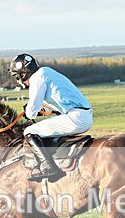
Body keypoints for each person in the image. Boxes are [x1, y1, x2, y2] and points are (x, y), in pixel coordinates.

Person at [9, 53, 93, 181]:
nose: (18, 80)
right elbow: (51, 105)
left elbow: (31, 112)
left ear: (23, 74)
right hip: (82, 115)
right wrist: (42, 110)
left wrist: (29, 111)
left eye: (17, 76)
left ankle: (49, 167)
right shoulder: (47, 72)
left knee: (29, 131)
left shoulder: (37, 79)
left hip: (76, 117)